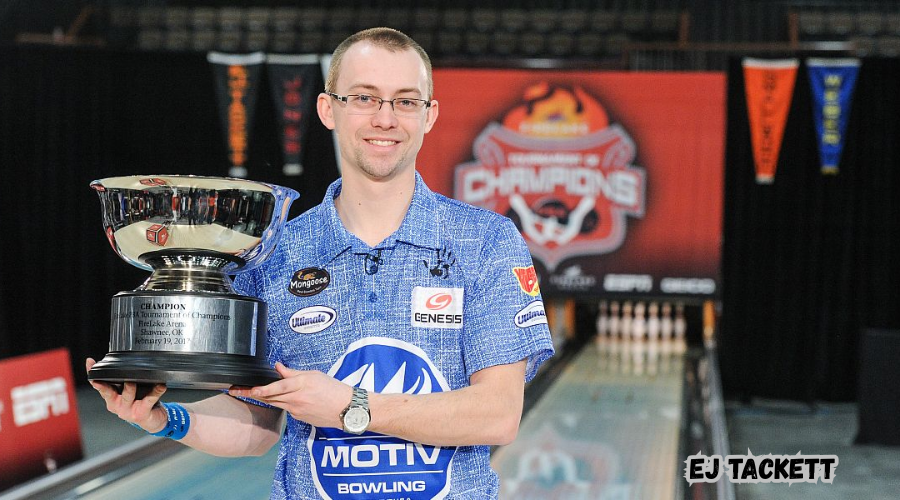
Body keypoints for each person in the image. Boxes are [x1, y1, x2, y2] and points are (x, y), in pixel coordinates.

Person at [87, 27, 554, 499]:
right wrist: (165, 418)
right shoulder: (275, 252)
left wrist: (353, 406)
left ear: (429, 115)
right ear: (328, 109)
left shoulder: (485, 241)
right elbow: (257, 422)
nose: (386, 118)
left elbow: (498, 414)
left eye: (406, 101)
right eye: (364, 98)